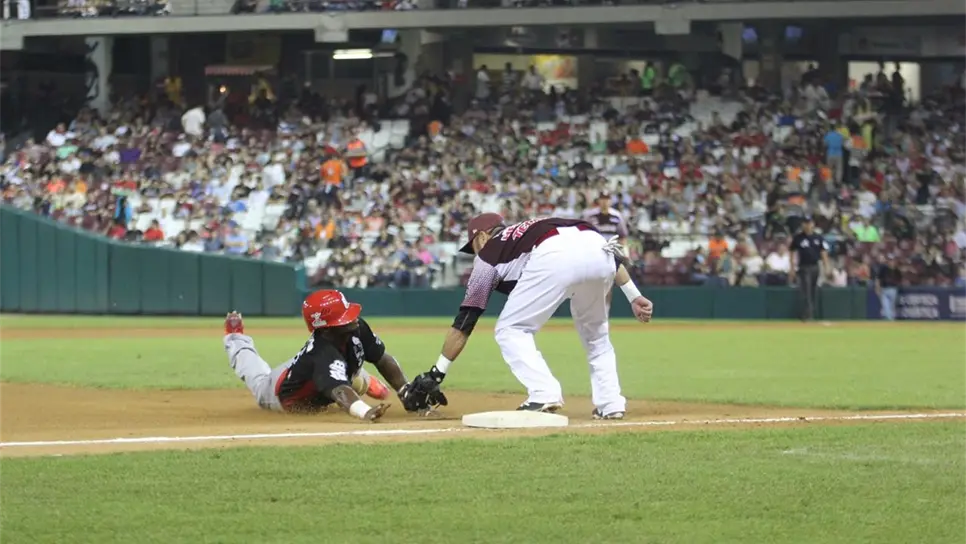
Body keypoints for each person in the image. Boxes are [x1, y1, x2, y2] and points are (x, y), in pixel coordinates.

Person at [402, 214, 653, 421]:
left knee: (510, 329)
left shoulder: (489, 253)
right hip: (599, 246)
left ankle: (544, 392)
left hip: (555, 253)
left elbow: (466, 320)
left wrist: (436, 373)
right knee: (597, 336)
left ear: (482, 236)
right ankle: (610, 403)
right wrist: (633, 295)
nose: (474, 252)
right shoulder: (528, 230)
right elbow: (602, 251)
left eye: (473, 245)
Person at [223, 289, 422, 421]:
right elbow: (340, 392)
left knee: (348, 373)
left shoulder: (355, 327)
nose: (352, 320)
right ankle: (236, 337)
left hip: (317, 369)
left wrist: (406, 390)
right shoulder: (323, 353)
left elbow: (382, 357)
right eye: (344, 318)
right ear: (326, 330)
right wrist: (364, 411)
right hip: (279, 391)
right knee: (256, 376)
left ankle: (362, 379)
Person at [789, 217, 831, 321]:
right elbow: (792, 253)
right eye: (805, 223)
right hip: (803, 267)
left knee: (812, 290)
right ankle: (808, 315)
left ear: (813, 224)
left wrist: (827, 267)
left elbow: (823, 253)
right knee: (806, 290)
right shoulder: (798, 238)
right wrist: (792, 268)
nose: (807, 225)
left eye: (809, 223)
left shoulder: (818, 237)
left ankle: (809, 313)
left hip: (815, 266)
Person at [874, 255, 902, 321]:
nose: (891, 262)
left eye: (892, 260)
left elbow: (899, 280)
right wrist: (877, 287)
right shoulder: (883, 268)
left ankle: (889, 318)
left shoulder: (897, 270)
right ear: (888, 261)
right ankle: (890, 320)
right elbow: (878, 279)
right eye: (890, 260)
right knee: (886, 305)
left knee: (892, 306)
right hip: (884, 289)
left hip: (893, 290)